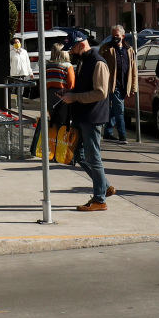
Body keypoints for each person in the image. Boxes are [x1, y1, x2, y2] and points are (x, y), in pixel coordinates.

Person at [60, 29, 116, 211]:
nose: (71, 52)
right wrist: (70, 94)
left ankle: (100, 199)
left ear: (80, 44)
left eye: (73, 48)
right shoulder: (85, 61)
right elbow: (84, 87)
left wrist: (74, 97)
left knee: (93, 157)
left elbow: (100, 93)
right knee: (78, 154)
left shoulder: (98, 63)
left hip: (93, 116)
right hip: (84, 115)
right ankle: (104, 186)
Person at [99, 25, 137, 144]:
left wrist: (134, 87)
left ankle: (107, 133)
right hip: (112, 84)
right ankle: (122, 136)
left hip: (124, 85)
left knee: (114, 110)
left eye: (117, 36)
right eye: (113, 35)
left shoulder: (129, 50)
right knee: (120, 110)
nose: (114, 38)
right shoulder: (107, 48)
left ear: (123, 36)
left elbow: (133, 70)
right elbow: (99, 64)